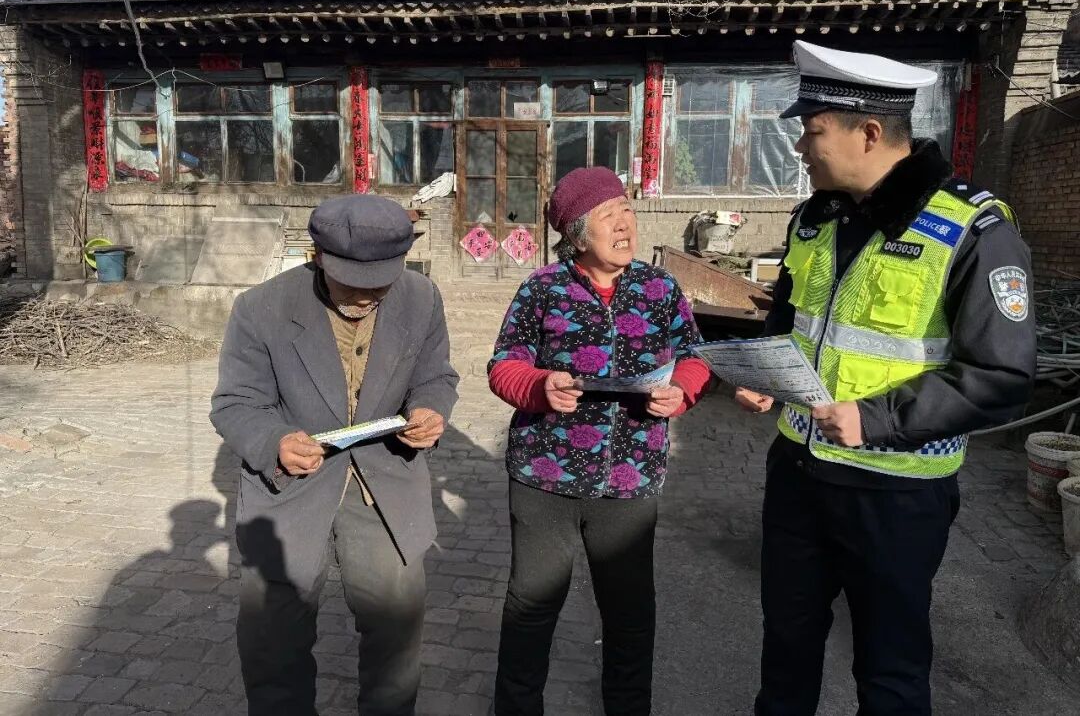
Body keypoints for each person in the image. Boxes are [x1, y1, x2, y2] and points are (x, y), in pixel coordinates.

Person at [738, 41, 1037, 716]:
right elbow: (789, 318)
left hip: (895, 495)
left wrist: (876, 419)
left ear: (869, 133)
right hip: (798, 476)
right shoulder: (815, 218)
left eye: (813, 132)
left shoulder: (973, 230)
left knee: (890, 671)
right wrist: (765, 372)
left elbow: (1001, 375)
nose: (801, 148)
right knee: (785, 649)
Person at [210, 194, 459, 716]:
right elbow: (236, 403)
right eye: (351, 282)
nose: (365, 297)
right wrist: (275, 441)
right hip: (290, 492)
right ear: (318, 256)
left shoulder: (421, 298)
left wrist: (430, 409)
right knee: (274, 642)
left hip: (385, 484)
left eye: (379, 284)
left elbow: (436, 376)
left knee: (395, 640)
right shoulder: (261, 308)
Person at [487, 166, 713, 715]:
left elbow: (695, 356)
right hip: (546, 475)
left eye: (627, 211)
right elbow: (504, 364)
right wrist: (540, 386)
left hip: (631, 479)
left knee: (630, 615)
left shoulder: (659, 288)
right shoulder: (543, 288)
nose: (624, 224)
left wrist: (681, 391)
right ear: (577, 234)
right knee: (531, 610)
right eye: (609, 216)